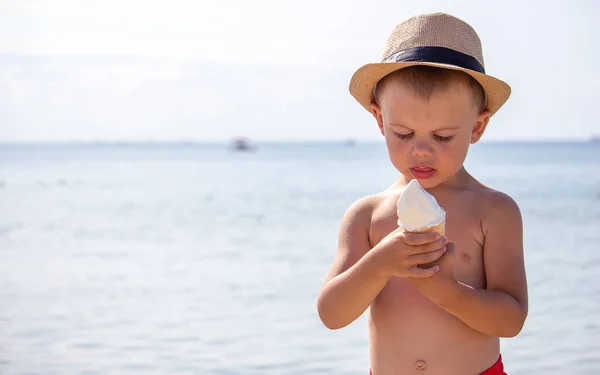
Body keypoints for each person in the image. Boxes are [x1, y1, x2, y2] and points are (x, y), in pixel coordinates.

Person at [316, 12, 528, 375]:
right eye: (403, 133)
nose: (421, 151)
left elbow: (511, 320)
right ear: (380, 120)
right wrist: (378, 264)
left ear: (477, 127)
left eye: (443, 137)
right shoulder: (368, 215)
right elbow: (331, 315)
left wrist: (449, 292)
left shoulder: (493, 210)